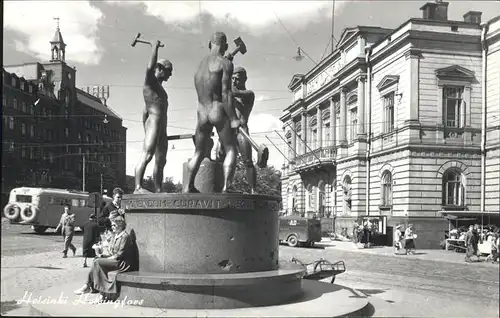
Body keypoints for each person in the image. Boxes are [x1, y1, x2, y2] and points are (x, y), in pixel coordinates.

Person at [183, 31, 241, 193]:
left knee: (199, 152)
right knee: (231, 149)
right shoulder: (225, 64)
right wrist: (234, 118)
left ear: (210, 44)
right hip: (218, 110)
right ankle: (226, 187)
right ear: (226, 46)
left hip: (202, 112)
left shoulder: (199, 66)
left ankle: (188, 186)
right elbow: (226, 94)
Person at [134, 40, 173, 194]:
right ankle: (138, 187)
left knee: (161, 160)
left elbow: (144, 111)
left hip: (162, 125)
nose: (170, 74)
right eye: (169, 70)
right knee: (148, 154)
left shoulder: (161, 90)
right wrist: (154, 48)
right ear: (160, 68)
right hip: (154, 122)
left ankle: (158, 188)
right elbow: (149, 68)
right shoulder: (150, 83)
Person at [74, 216, 138, 300]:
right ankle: (91, 286)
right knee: (97, 259)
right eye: (112, 225)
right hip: (115, 259)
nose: (112, 227)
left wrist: (107, 259)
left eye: (114, 225)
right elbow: (111, 251)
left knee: (98, 263)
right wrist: (102, 254)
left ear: (120, 225)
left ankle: (93, 288)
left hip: (122, 262)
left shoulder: (125, 236)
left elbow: (120, 254)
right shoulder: (115, 235)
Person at [216, 66, 257, 193]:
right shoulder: (229, 94)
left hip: (242, 130)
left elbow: (230, 92)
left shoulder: (249, 94)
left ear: (245, 79)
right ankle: (225, 186)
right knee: (221, 158)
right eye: (232, 78)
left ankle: (253, 189)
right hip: (228, 130)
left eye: (237, 79)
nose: (234, 81)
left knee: (248, 161)